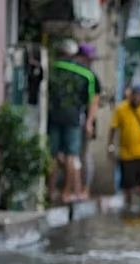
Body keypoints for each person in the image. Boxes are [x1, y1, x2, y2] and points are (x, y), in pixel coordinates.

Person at [47, 39, 99, 204]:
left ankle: (50, 191)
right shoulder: (87, 74)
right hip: (73, 118)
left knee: (53, 155)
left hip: (53, 115)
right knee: (71, 155)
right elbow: (93, 100)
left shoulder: (52, 67)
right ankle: (66, 193)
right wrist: (90, 122)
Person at [108, 85, 140, 214]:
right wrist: (110, 146)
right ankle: (128, 203)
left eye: (139, 95)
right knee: (128, 182)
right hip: (126, 153)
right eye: (134, 94)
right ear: (130, 95)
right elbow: (113, 128)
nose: (136, 98)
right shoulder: (121, 109)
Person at [75, 43, 103, 199]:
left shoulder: (90, 77)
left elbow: (95, 101)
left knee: (84, 155)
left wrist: (89, 122)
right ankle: (77, 187)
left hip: (85, 121)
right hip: (72, 119)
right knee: (73, 155)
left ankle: (84, 188)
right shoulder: (75, 73)